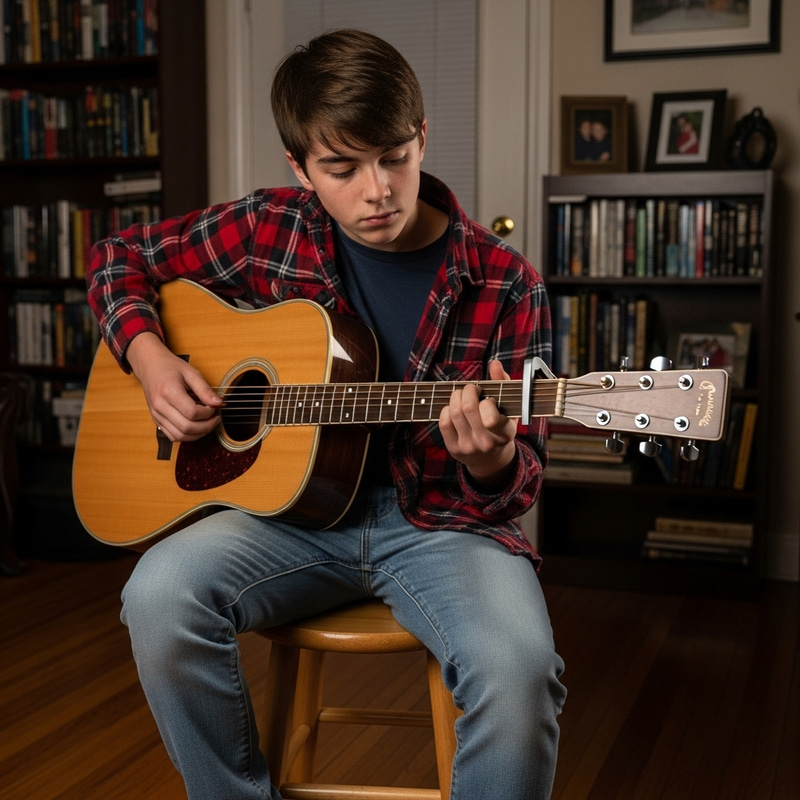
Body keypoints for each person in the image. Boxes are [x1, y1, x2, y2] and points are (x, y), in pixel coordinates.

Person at [87, 29, 566, 800]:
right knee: (157, 596)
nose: (377, 190)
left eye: (394, 157)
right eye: (342, 169)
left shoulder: (508, 283)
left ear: (421, 138)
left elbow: (518, 486)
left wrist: (490, 459)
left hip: (443, 526)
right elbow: (119, 257)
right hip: (289, 515)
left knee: (517, 673)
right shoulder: (270, 227)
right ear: (301, 168)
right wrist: (147, 356)